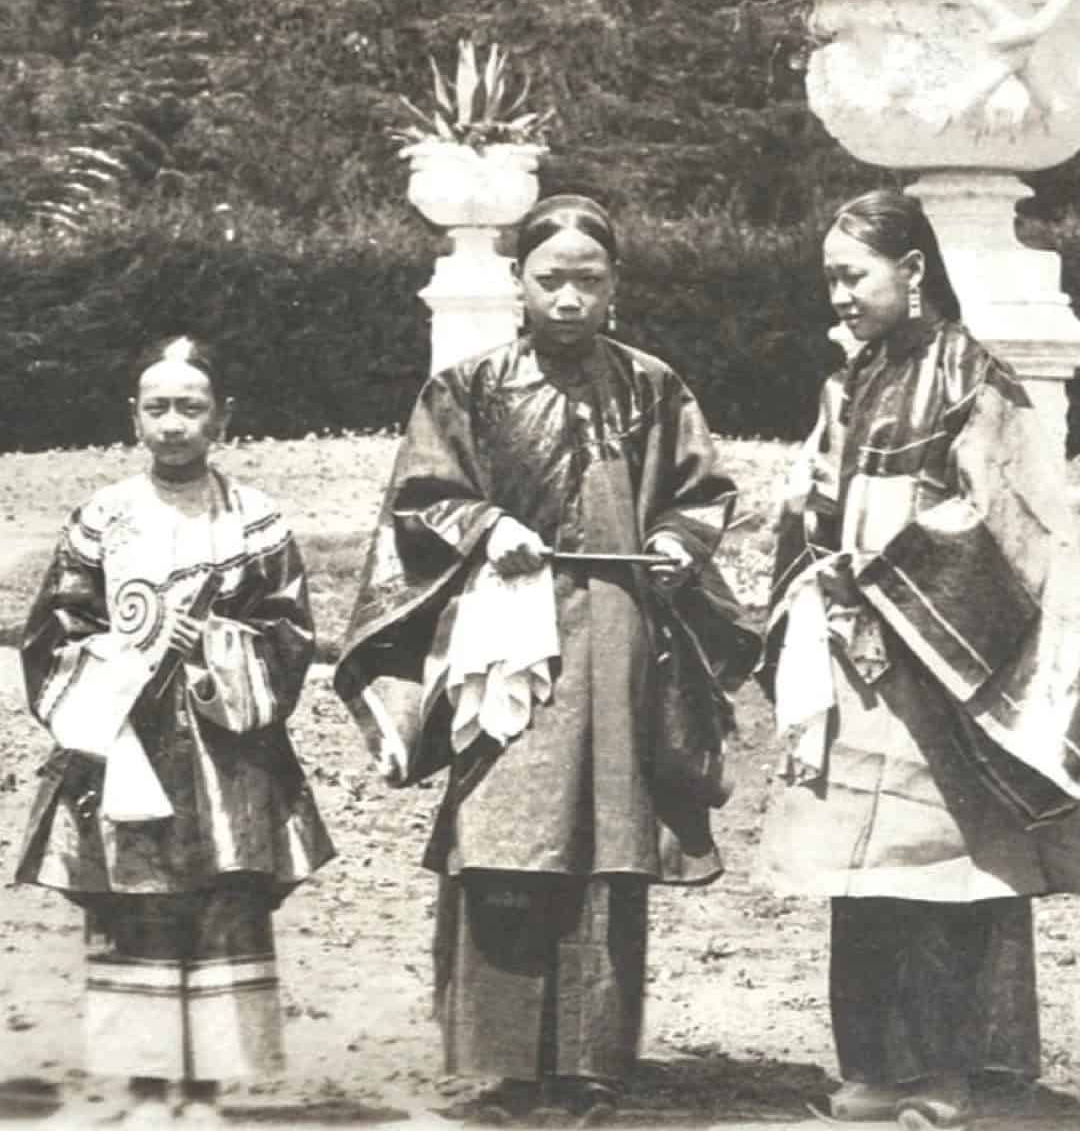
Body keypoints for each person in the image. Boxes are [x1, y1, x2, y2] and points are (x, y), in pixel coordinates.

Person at [335, 194, 757, 1125]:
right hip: (506, 632)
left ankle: (591, 1064)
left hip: (617, 634)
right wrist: (486, 528)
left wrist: (683, 539)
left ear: (617, 288)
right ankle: (497, 1063)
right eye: (550, 279)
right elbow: (422, 493)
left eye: (589, 280)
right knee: (505, 827)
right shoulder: (469, 388)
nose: (569, 298)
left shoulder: (654, 387)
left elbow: (703, 490)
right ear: (519, 284)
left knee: (607, 833)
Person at [758, 190, 1080, 1129]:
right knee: (859, 872)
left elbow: (1008, 519)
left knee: (946, 868)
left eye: (854, 274)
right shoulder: (851, 379)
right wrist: (808, 501)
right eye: (830, 277)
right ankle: (874, 1063)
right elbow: (828, 497)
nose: (841, 295)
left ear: (914, 271)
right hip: (863, 655)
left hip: (943, 661)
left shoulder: (975, 378)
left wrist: (872, 525)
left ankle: (950, 1069)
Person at [16, 335, 335, 1125]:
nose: (172, 424)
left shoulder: (255, 518)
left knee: (225, 895)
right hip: (127, 742)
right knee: (134, 898)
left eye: (190, 407)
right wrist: (115, 653)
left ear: (222, 417)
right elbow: (54, 629)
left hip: (226, 750)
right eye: (156, 407)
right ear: (133, 416)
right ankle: (147, 1082)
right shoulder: (103, 516)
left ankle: (210, 1087)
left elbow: (289, 632)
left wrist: (219, 648)